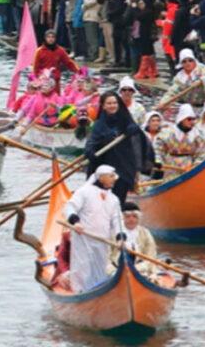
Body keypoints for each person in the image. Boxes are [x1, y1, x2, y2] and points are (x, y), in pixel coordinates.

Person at [84, 92, 155, 203]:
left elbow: (139, 138)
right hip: (106, 167)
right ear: (103, 106)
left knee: (119, 200)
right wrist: (90, 151)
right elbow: (92, 142)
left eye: (114, 103)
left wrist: (135, 130)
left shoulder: (126, 119)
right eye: (109, 103)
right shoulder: (99, 124)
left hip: (123, 168)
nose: (112, 106)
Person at [64, 165, 122, 293]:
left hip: (103, 240)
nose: (114, 179)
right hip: (83, 237)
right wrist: (76, 222)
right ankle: (79, 291)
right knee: (82, 266)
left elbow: (117, 220)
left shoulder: (114, 199)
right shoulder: (84, 192)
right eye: (111, 176)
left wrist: (120, 237)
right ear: (101, 178)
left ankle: (98, 292)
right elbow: (70, 207)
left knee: (100, 268)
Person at [152, 104, 205, 174]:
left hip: (190, 170)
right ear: (182, 119)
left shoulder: (197, 135)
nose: (192, 122)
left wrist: (195, 166)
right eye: (189, 119)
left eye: (193, 119)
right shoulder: (168, 132)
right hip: (170, 168)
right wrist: (158, 161)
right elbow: (157, 149)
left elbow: (203, 153)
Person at [108, 202, 159, 279]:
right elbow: (106, 258)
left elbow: (151, 256)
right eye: (127, 216)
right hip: (116, 270)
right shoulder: (112, 233)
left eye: (135, 216)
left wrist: (149, 272)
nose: (131, 219)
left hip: (140, 269)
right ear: (122, 218)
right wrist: (112, 272)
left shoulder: (145, 233)